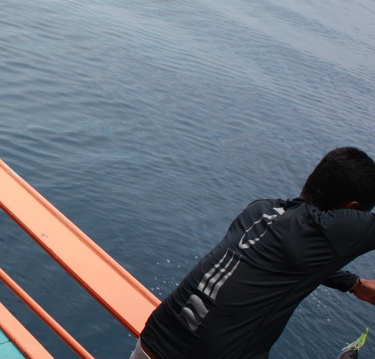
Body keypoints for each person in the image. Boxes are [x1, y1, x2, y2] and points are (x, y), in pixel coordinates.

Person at [132, 147, 375, 359]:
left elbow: (293, 259)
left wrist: (353, 284)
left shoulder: (260, 210)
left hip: (154, 339)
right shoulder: (336, 228)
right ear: (351, 208)